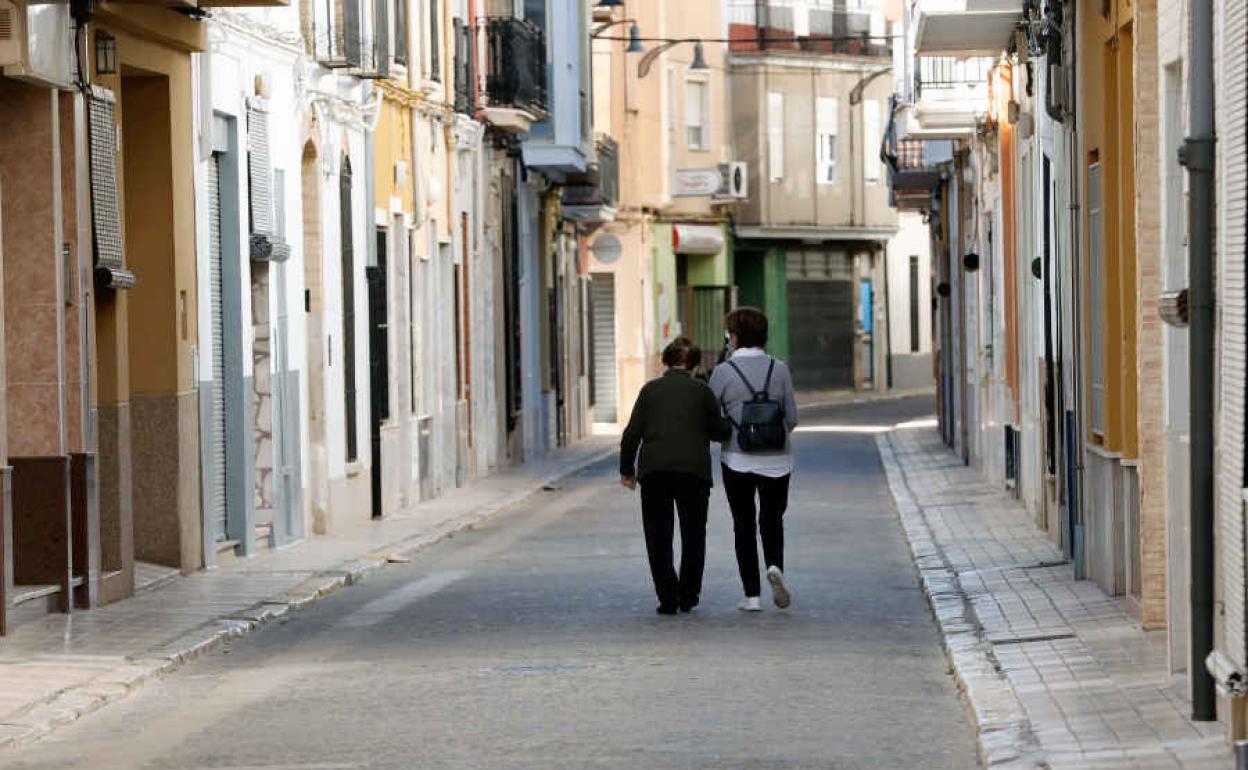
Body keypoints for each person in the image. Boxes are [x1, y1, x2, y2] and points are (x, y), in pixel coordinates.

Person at [620, 337, 731, 615]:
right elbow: (718, 431)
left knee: (658, 536)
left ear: (666, 362)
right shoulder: (702, 392)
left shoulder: (650, 391)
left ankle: (667, 597)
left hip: (655, 472)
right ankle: (689, 595)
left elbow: (632, 433)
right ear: (694, 365)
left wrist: (627, 470)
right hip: (693, 473)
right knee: (693, 534)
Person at [708, 307, 799, 612]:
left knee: (743, 524)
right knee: (772, 520)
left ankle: (752, 595)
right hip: (778, 460)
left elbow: (710, 415)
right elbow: (793, 418)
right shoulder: (780, 369)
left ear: (733, 337)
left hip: (737, 459)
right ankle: (775, 567)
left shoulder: (723, 372)